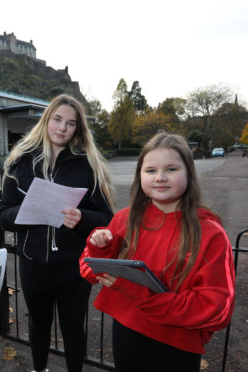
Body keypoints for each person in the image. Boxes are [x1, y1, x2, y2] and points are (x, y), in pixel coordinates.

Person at [80, 132, 236, 372]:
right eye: (150, 170)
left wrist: (144, 296)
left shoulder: (210, 233)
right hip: (126, 331)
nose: (160, 178)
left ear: (189, 173)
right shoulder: (124, 219)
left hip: (176, 343)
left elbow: (217, 309)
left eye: (171, 169)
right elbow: (89, 270)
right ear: (140, 175)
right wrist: (99, 248)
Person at [0, 94, 115, 372]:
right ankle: (40, 369)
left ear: (78, 129)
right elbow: (3, 215)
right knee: (38, 325)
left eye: (71, 123)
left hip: (74, 267)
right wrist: (29, 211)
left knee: (73, 328)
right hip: (33, 264)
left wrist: (83, 218)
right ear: (46, 120)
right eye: (57, 119)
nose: (62, 128)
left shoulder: (88, 165)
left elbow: (108, 218)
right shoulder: (21, 162)